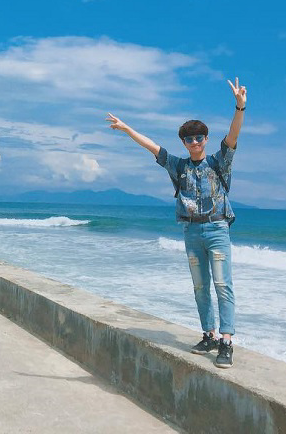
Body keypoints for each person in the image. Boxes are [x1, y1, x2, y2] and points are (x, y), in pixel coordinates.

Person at [106, 78, 247, 368]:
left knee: (223, 285)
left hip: (217, 229)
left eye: (199, 138)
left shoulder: (220, 162)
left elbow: (232, 136)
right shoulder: (179, 166)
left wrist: (240, 106)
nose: (194, 143)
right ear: (183, 142)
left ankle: (227, 341)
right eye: (188, 139)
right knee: (200, 287)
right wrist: (126, 128)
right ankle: (208, 335)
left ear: (206, 140)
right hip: (191, 231)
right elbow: (153, 148)